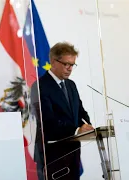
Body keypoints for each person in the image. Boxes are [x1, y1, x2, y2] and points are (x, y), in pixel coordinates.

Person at [32, 42, 94, 180]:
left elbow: (80, 112)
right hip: (52, 155)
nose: (70, 69)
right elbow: (48, 121)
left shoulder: (71, 85)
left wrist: (87, 125)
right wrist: (77, 130)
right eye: (66, 64)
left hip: (73, 152)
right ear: (53, 62)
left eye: (72, 65)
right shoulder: (40, 86)